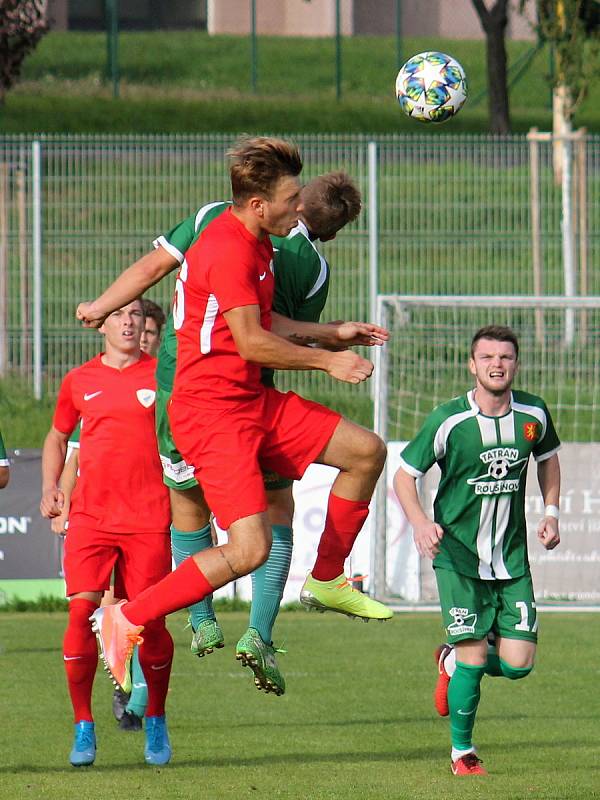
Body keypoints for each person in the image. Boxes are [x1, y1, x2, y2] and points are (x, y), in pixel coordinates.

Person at [88, 135, 391, 699]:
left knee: (366, 451)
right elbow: (251, 341)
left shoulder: (257, 242)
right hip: (211, 416)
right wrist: (328, 360)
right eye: (292, 198)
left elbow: (260, 322)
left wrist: (333, 331)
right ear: (259, 205)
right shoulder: (227, 248)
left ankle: (326, 578)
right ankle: (127, 619)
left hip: (250, 402)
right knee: (248, 548)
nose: (301, 208)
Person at [393, 325, 561, 777]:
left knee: (518, 664)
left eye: (505, 357)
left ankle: (449, 659)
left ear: (516, 364)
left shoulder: (534, 414)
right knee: (473, 657)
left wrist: (552, 512)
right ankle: (462, 754)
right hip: (459, 559)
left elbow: (547, 460)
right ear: (472, 364)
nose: (497, 364)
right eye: (487, 357)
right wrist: (421, 522)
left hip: (511, 559)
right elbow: (404, 476)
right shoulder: (449, 420)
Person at [40, 299, 174, 767]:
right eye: (119, 314)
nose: (129, 321)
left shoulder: (162, 376)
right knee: (80, 616)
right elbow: (58, 436)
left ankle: (154, 716)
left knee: (150, 622)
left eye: (136, 314)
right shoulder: (79, 380)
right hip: (93, 519)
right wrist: (52, 489)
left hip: (149, 518)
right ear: (101, 325)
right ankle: (83, 726)